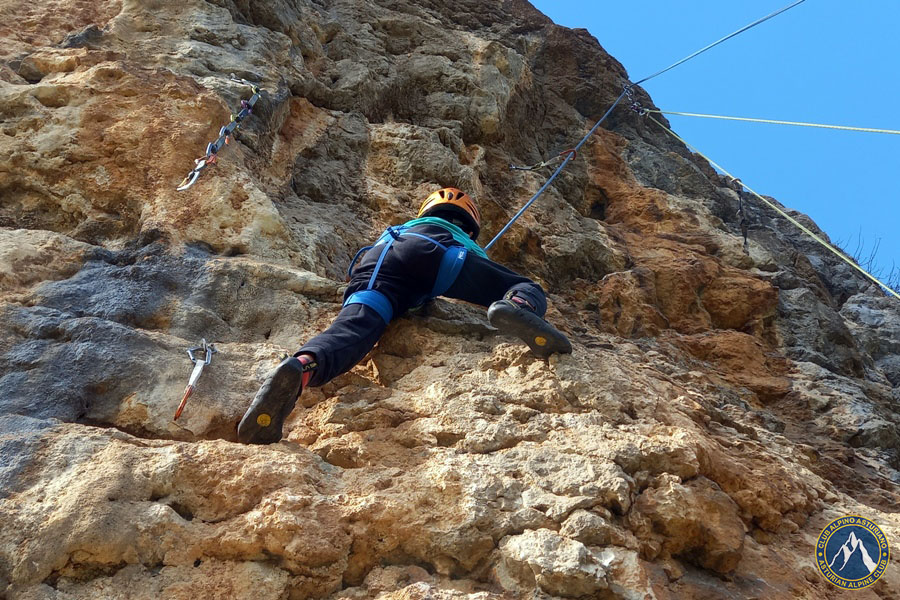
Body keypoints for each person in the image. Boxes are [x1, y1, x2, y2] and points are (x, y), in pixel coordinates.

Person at [237, 188, 572, 444]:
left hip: (373, 266)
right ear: (469, 225)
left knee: (353, 331)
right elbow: (472, 263)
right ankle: (516, 304)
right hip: (432, 255)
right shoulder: (457, 235)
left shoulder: (401, 227)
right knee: (522, 284)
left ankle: (302, 367)